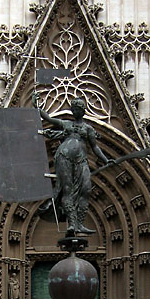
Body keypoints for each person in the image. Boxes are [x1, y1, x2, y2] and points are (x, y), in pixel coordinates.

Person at [34, 95, 111, 237]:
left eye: (77, 109)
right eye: (73, 109)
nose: (74, 112)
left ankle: (79, 224)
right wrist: (37, 107)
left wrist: (106, 160)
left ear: (83, 111)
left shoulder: (88, 129)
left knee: (86, 189)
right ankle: (72, 224)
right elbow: (49, 119)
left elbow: (95, 147)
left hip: (81, 160)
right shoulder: (67, 124)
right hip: (64, 156)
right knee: (67, 189)